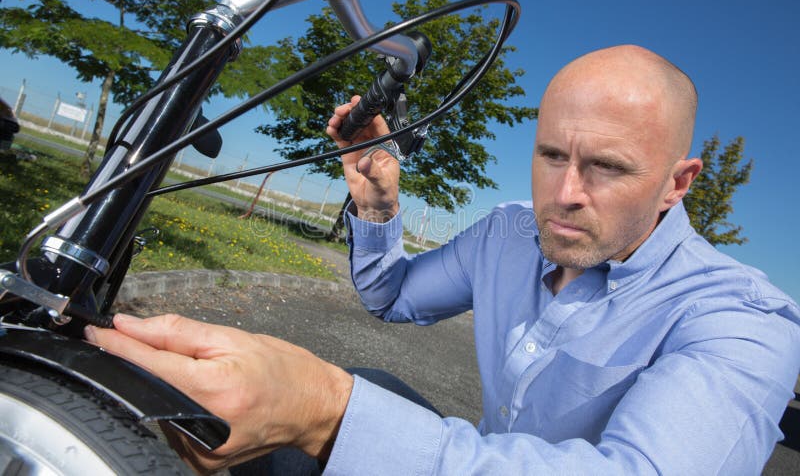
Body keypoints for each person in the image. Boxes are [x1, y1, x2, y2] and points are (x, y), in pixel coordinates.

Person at [86, 44, 800, 475]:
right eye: (552, 155)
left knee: (340, 399)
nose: (565, 194)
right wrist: (376, 202)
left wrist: (324, 411)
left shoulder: (744, 320)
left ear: (679, 183)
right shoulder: (507, 235)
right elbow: (391, 297)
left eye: (608, 168)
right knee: (357, 382)